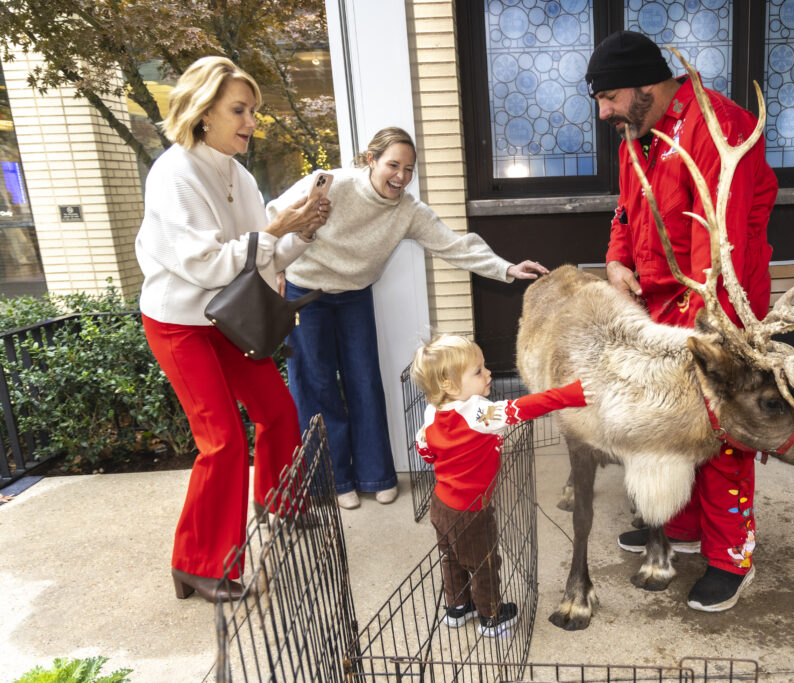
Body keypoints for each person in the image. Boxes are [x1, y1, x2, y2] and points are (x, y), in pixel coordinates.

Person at [585, 30, 777, 612]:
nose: (604, 113)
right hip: (657, 308)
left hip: (718, 307)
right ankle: (686, 523)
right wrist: (617, 257)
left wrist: (698, 333)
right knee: (672, 422)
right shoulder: (636, 133)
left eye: (610, 97)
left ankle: (730, 557)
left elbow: (717, 249)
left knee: (722, 433)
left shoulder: (720, 128)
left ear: (648, 85)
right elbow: (626, 206)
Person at [266, 127, 549, 511]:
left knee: (365, 382)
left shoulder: (408, 211)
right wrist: (275, 267)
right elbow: (275, 214)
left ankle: (376, 475)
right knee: (316, 386)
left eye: (409, 169)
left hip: (354, 296)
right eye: (393, 165)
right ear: (371, 160)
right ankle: (335, 481)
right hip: (306, 294)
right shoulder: (337, 185)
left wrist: (508, 268)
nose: (400, 177)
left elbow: (453, 245)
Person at [135, 56, 331, 603]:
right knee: (221, 441)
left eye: (253, 111)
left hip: (228, 316)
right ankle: (196, 564)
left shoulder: (236, 171)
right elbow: (206, 264)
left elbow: (260, 258)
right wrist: (275, 230)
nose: (250, 122)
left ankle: (280, 503)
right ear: (203, 112)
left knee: (278, 409)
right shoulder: (173, 174)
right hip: (181, 325)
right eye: (239, 110)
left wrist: (303, 231)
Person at [410, 334, 587, 637]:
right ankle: (491, 615)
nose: (488, 373)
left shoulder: (432, 412)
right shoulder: (477, 413)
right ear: (451, 386)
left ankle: (456, 607)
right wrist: (571, 394)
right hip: (471, 510)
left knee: (451, 556)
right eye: (478, 371)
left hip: (440, 504)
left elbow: (424, 449)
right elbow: (526, 406)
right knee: (484, 562)